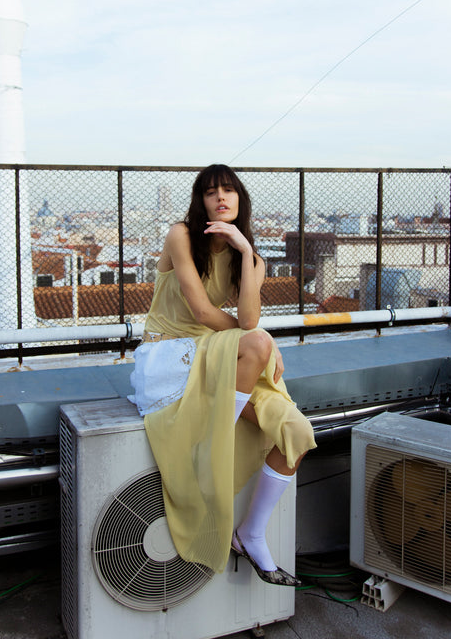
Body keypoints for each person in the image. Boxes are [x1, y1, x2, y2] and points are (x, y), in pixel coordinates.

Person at [129, 164, 316, 585]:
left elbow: (248, 318)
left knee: (296, 434)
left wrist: (246, 252)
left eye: (229, 191)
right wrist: (263, 342)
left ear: (240, 199)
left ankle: (249, 534)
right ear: (201, 200)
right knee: (257, 344)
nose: (221, 198)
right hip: (170, 353)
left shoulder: (249, 255)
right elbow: (201, 312)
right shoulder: (181, 235)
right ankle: (216, 441)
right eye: (211, 192)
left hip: (220, 356)